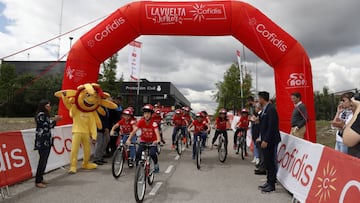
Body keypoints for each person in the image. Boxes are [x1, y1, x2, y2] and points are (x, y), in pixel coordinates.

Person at [34, 99, 62, 188]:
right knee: (42, 161)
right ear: (44, 106)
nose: (50, 107)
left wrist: (54, 121)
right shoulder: (41, 115)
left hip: (47, 140)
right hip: (42, 141)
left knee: (45, 160)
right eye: (48, 105)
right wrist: (55, 120)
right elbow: (46, 126)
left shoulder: (46, 115)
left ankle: (41, 178)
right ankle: (38, 180)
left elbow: (51, 126)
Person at [257, 91, 281, 193]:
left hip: (270, 140)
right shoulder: (265, 109)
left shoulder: (271, 109)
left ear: (262, 99)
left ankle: (272, 184)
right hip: (265, 138)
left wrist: (266, 140)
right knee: (267, 161)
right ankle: (268, 181)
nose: (258, 101)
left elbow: (272, 126)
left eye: (259, 98)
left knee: (270, 161)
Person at [126, 104, 161, 173]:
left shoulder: (153, 123)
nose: (146, 115)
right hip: (143, 141)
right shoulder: (141, 121)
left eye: (148, 113)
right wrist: (129, 139)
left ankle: (156, 165)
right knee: (138, 153)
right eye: (145, 113)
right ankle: (138, 168)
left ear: (151, 114)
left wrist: (158, 140)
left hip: (152, 142)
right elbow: (134, 131)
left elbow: (157, 132)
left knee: (152, 154)